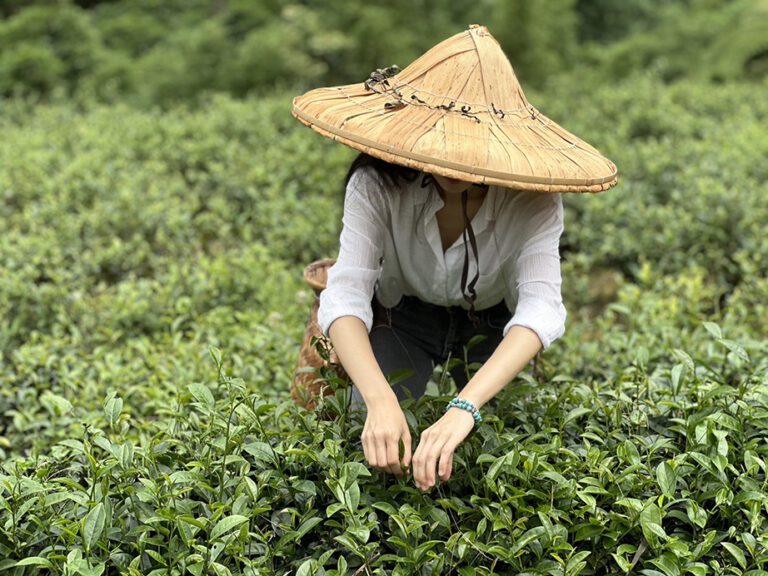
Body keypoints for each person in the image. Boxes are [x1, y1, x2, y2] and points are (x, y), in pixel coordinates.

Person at [291, 25, 617, 492]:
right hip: (403, 314)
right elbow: (346, 294)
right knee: (369, 442)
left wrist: (463, 408)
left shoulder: (533, 200)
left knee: (496, 451)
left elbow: (541, 308)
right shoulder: (377, 183)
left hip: (491, 321)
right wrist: (380, 401)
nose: (453, 164)